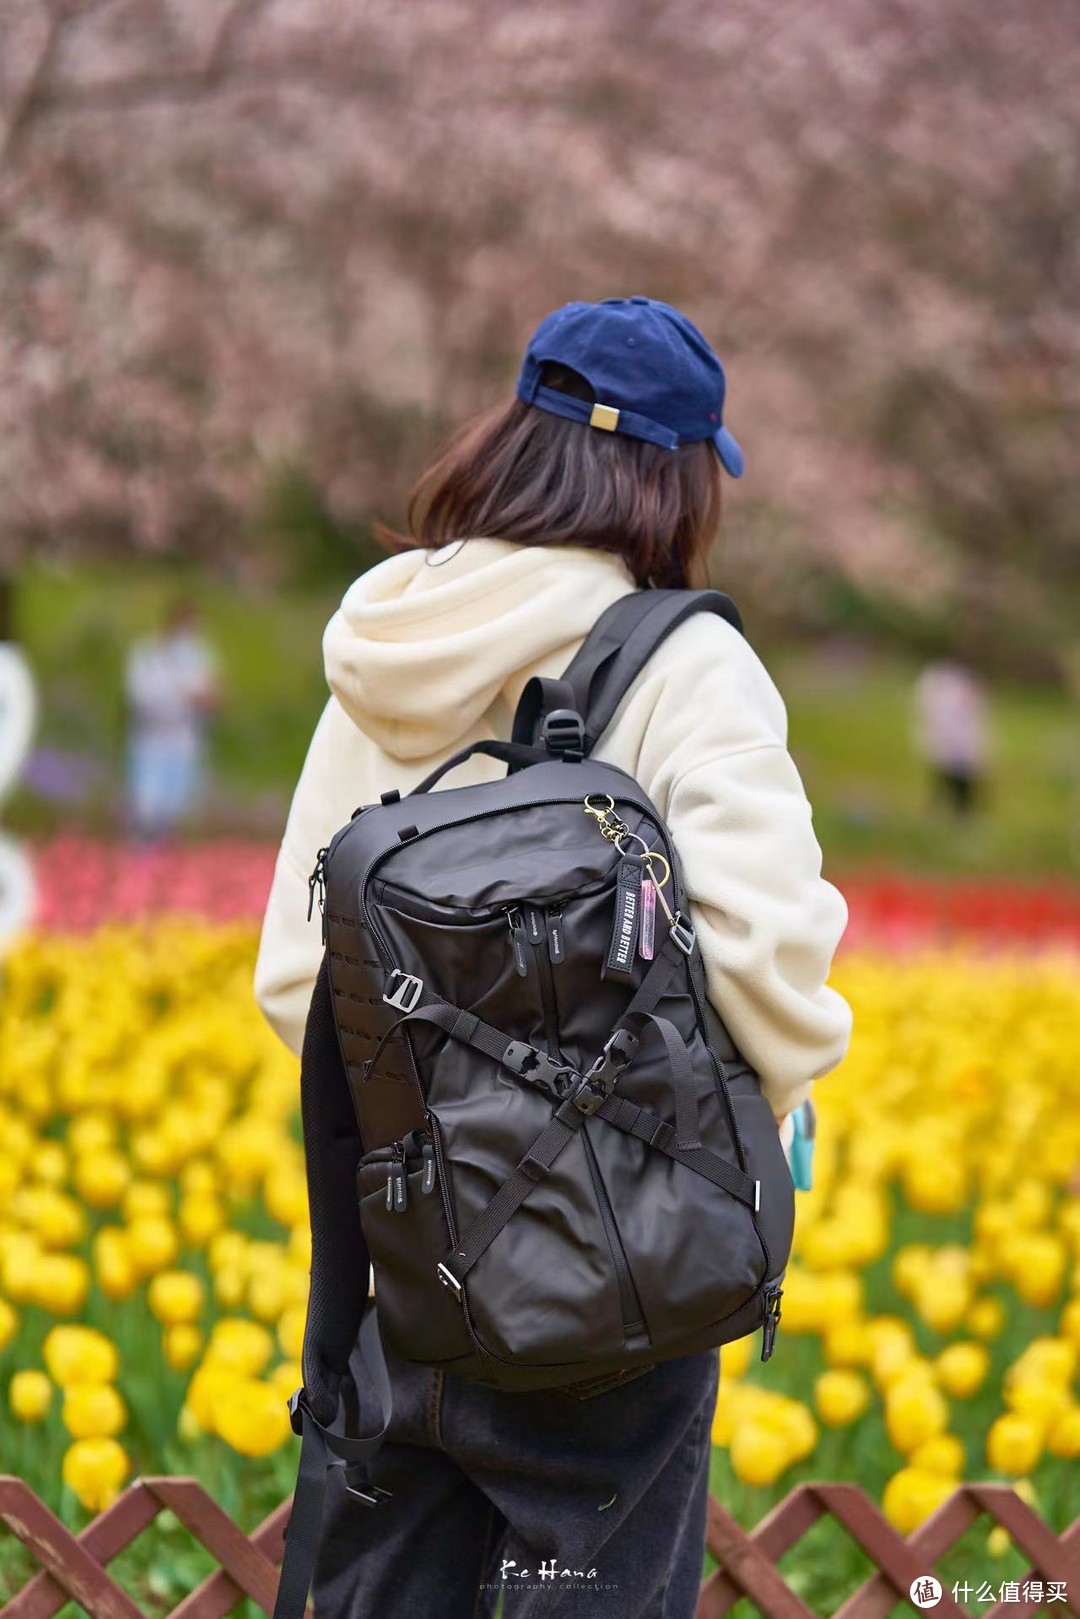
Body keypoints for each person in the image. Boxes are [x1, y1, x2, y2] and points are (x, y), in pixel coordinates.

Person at [254, 297, 851, 1618]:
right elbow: (769, 962)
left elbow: (299, 975)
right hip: (611, 1276)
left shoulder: (385, 644)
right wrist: (767, 1121)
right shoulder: (687, 663)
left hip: (401, 1275)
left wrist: (424, 1170)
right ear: (681, 475)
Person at [124, 598, 220, 840]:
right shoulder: (147, 655)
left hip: (184, 739)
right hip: (152, 737)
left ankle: (167, 857)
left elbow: (211, 699)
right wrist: (182, 697)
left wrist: (197, 699)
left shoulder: (199, 657)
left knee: (176, 808)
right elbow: (140, 696)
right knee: (147, 805)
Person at [913, 656, 989, 818]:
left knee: (960, 781)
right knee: (947, 777)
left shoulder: (959, 696)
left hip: (960, 747)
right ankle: (947, 809)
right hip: (951, 745)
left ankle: (959, 811)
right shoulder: (948, 695)